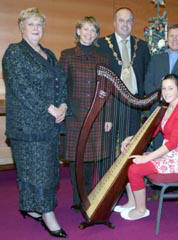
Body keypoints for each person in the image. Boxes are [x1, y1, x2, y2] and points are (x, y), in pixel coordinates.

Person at [2, 8, 67, 238]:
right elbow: (21, 88)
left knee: (48, 169)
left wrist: (63, 106)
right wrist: (49, 108)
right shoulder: (14, 53)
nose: (36, 28)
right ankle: (47, 214)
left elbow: (61, 83)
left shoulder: (48, 53)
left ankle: (31, 207)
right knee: (36, 172)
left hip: (49, 124)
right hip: (27, 125)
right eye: (31, 24)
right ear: (22, 28)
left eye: (40, 24)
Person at [114, 74, 178, 220]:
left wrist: (146, 158)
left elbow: (172, 144)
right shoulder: (166, 108)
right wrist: (132, 138)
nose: (166, 92)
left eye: (171, 88)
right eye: (164, 88)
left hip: (177, 158)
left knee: (135, 169)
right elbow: (151, 130)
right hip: (167, 153)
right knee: (128, 160)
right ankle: (132, 202)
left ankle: (141, 210)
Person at [59, 16, 112, 210]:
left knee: (91, 158)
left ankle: (87, 195)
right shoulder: (67, 55)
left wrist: (108, 116)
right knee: (76, 158)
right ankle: (77, 197)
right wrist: (64, 108)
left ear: (96, 34)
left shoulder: (103, 57)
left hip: (97, 115)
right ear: (78, 31)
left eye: (93, 30)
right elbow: (61, 87)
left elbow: (108, 88)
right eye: (85, 29)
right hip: (75, 116)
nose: (89, 33)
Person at [98, 7, 150, 156]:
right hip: (110, 103)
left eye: (128, 21)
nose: (125, 24)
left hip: (134, 103)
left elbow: (147, 74)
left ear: (132, 23)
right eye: (121, 20)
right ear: (114, 23)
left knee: (131, 146)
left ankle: (127, 178)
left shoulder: (141, 46)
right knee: (107, 147)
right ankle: (107, 178)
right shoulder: (101, 45)